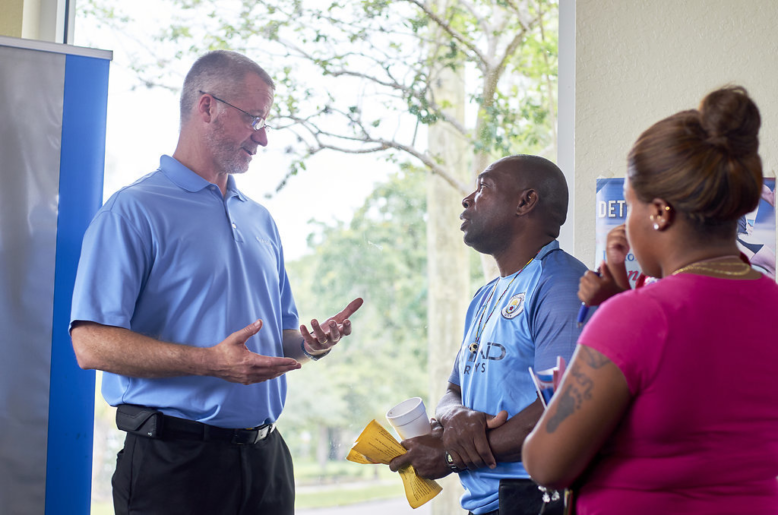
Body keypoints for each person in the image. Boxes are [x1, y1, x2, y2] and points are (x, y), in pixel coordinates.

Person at [69, 50, 362, 515]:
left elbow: (277, 341)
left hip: (267, 463)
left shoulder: (260, 220)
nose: (263, 137)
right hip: (175, 466)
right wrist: (210, 362)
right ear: (207, 107)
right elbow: (90, 344)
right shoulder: (133, 211)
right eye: (254, 119)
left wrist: (310, 344)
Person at [522, 86, 778, 515]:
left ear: (659, 212)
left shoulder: (635, 317)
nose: (625, 223)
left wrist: (613, 317)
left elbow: (545, 464)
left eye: (630, 205)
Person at [389, 155, 590, 515]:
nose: (467, 199)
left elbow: (564, 407)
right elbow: (453, 390)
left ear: (525, 202)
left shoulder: (562, 285)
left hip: (536, 499)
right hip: (485, 504)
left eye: (483, 188)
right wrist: (455, 415)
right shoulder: (485, 297)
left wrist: (450, 455)